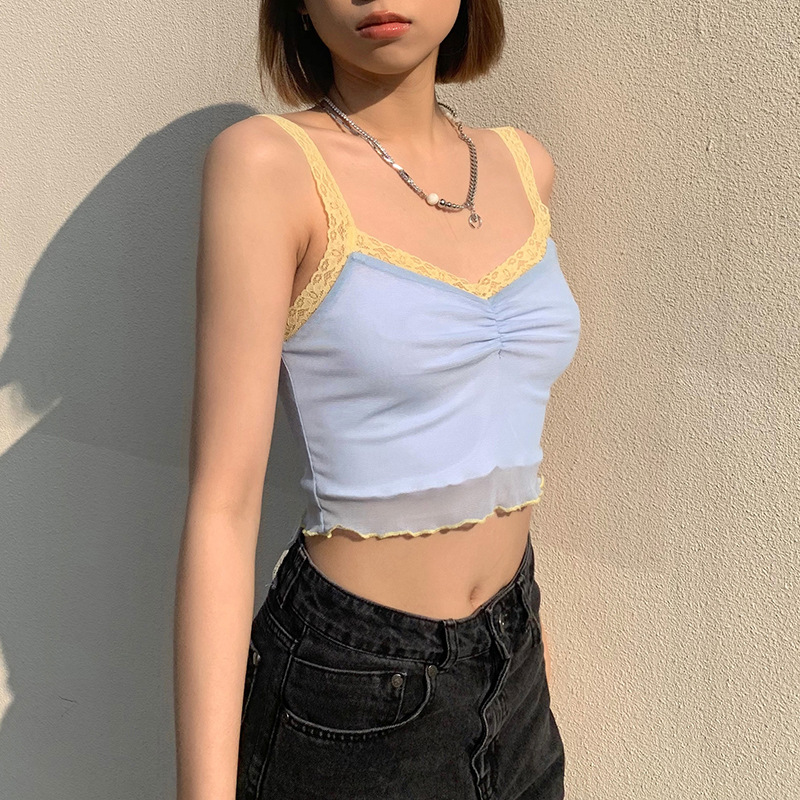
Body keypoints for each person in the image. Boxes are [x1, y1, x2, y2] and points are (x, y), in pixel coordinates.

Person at [174, 1, 581, 798]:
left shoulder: (524, 164)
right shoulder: (267, 164)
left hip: (516, 663)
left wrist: (521, 660)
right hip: (352, 686)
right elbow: (222, 506)